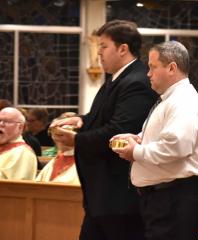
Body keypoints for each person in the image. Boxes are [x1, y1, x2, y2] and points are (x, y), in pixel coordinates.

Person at [50, 19, 158, 240]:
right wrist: (79, 120)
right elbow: (103, 117)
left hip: (119, 196)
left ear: (122, 49)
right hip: (103, 195)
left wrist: (76, 141)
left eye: (103, 46)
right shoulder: (116, 79)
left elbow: (119, 131)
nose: (98, 52)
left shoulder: (136, 81)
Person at [111, 41, 198, 240]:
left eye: (152, 67)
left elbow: (176, 147)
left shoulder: (183, 101)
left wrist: (136, 152)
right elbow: (165, 137)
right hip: (167, 196)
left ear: (172, 68)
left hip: (177, 197)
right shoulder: (171, 99)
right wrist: (138, 139)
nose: (148, 74)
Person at [0, 107, 37, 180]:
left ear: (20, 127)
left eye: (7, 121)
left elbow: (14, 187)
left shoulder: (22, 153)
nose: (1, 124)